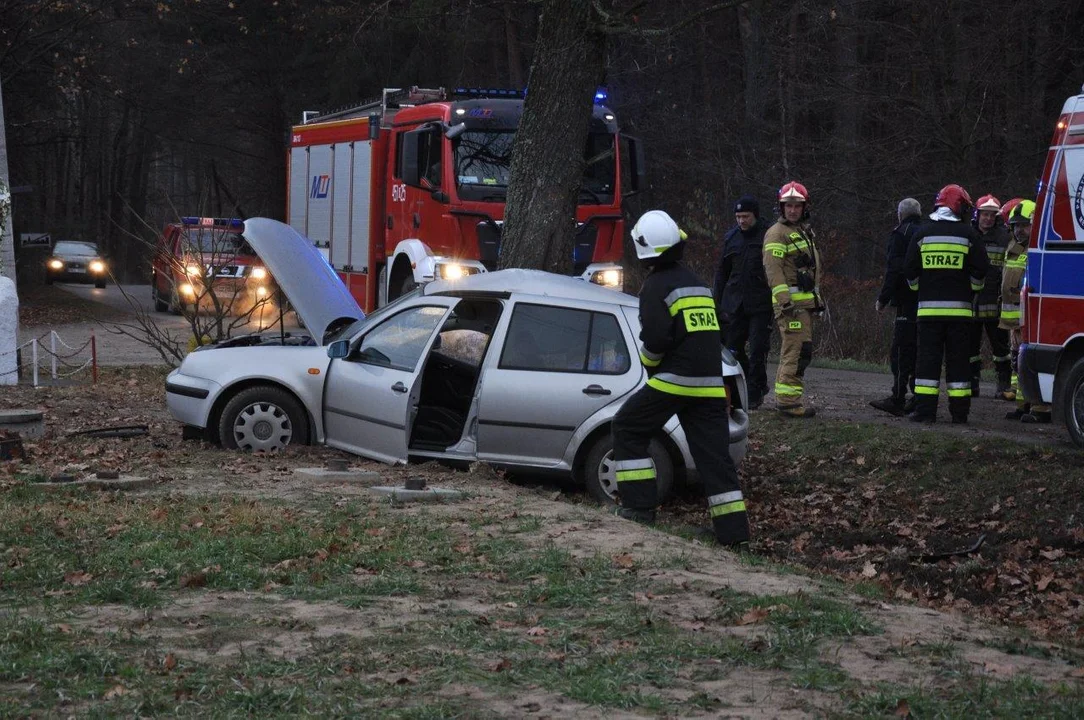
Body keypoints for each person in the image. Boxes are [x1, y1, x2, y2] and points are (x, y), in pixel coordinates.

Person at [611, 209, 750, 547]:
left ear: (644, 249)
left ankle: (639, 507)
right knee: (714, 460)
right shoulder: (699, 284)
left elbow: (656, 341)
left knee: (627, 426)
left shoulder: (655, 286)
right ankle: (734, 537)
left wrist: (650, 366)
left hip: (674, 380)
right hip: (711, 384)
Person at [904, 184, 989, 424]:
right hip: (960, 314)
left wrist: (920, 289)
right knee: (959, 363)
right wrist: (972, 288)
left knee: (927, 362)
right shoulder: (969, 235)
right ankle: (959, 414)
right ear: (957, 206)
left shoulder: (921, 233)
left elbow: (909, 270)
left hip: (928, 313)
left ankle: (925, 412)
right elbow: (981, 270)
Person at [763, 181, 822, 418]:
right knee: (796, 351)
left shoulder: (800, 231)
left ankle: (788, 400)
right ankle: (788, 402)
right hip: (791, 307)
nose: (793, 210)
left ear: (804, 207)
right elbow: (773, 270)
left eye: (797, 206)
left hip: (803, 305)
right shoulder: (777, 233)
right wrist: (785, 302)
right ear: (781, 207)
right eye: (788, 205)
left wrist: (816, 302)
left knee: (800, 350)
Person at [714, 195, 772, 410]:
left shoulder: (769, 235)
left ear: (755, 215)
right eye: (738, 217)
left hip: (760, 304)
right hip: (734, 304)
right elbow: (722, 273)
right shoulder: (731, 238)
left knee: (758, 349)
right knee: (732, 350)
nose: (741, 221)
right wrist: (716, 301)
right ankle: (747, 383)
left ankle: (756, 390)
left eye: (745, 216)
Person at [870, 198, 923, 416]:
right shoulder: (926, 232)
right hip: (927, 302)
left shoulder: (901, 234)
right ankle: (919, 396)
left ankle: (898, 397)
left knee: (901, 352)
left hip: (906, 301)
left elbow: (894, 270)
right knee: (921, 352)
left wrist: (883, 298)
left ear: (900, 214)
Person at [1000, 200, 1052, 423]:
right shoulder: (1012, 247)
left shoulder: (1039, 249)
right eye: (1015, 225)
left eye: (1024, 225)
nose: (1019, 229)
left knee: (1032, 361)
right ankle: (1023, 405)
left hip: (1032, 319)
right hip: (1014, 319)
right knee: (1017, 363)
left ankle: (1041, 408)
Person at [968, 195, 1012, 398]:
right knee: (970, 348)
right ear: (977, 215)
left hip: (995, 303)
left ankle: (1003, 384)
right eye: (984, 214)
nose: (988, 218)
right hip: (972, 303)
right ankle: (972, 383)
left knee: (1001, 348)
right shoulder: (969, 235)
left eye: (992, 215)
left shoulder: (1004, 238)